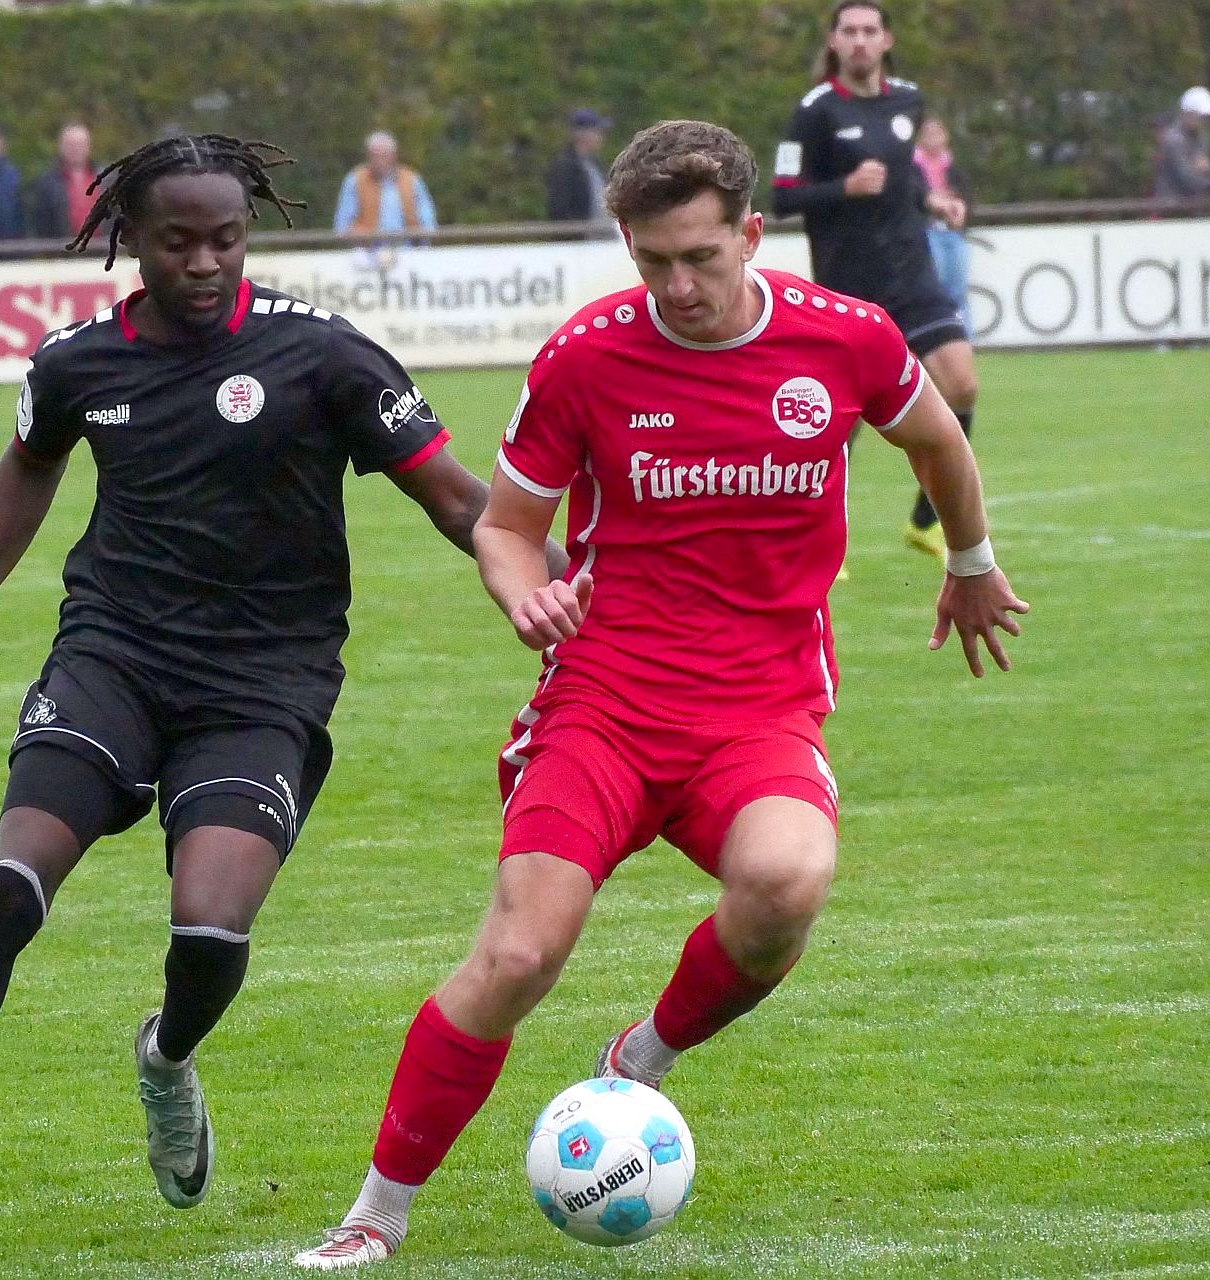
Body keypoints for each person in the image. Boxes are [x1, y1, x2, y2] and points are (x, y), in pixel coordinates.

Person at [0, 132, 561, 1266]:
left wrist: (561, 594)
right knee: (9, 887)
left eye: (226, 240)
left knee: (210, 922)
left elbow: (461, 500)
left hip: (263, 683)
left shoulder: (324, 356)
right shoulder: (78, 364)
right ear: (131, 239)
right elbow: (29, 460)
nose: (205, 262)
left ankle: (167, 1056)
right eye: (179, 242)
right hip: (112, 658)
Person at [293, 118, 1027, 1271]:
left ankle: (639, 1059)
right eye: (652, 262)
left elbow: (938, 440)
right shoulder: (586, 357)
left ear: (752, 233)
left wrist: (972, 562)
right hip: (603, 705)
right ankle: (374, 1214)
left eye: (700, 257)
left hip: (762, 711)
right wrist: (525, 593)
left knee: (787, 883)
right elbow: (506, 527)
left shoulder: (847, 339)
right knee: (521, 953)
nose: (677, 286)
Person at [772, 0, 980, 559]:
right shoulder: (813, 111)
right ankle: (814, 542)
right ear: (834, 41)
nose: (860, 41)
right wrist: (844, 187)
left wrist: (933, 201)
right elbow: (782, 197)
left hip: (912, 273)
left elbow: (900, 180)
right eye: (850, 31)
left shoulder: (908, 100)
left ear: (887, 40)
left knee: (961, 382)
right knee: (837, 420)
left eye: (870, 31)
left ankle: (926, 522)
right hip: (848, 285)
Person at [913, 116, 971, 335]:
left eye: (937, 133)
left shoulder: (954, 168)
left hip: (953, 232)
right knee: (935, 289)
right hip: (927, 231)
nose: (933, 139)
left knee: (958, 291)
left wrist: (958, 207)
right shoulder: (913, 169)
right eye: (928, 134)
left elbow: (967, 197)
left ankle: (963, 336)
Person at [332, 131, 438, 238]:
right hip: (367, 247)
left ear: (394, 155)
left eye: (384, 156)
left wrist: (419, 234)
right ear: (368, 156)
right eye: (375, 156)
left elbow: (429, 223)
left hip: (407, 245)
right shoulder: (354, 180)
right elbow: (341, 226)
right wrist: (359, 233)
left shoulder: (412, 180)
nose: (379, 161)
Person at [544, 107, 615, 233]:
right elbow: (559, 209)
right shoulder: (564, 167)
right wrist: (575, 234)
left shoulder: (597, 164)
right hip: (580, 241)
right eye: (598, 132)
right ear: (584, 135)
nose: (601, 137)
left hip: (603, 239)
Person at [28, 122, 97, 241]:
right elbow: (39, 225)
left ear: (88, 147)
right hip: (62, 249)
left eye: (80, 145)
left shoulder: (105, 179)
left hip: (102, 248)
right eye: (71, 145)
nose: (76, 150)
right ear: (60, 147)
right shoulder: (47, 184)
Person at [1154, 86, 1210, 200]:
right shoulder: (1174, 140)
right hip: (1172, 207)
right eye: (1201, 116)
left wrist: (1207, 171)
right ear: (1187, 114)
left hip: (1192, 206)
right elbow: (1186, 180)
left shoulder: (1198, 139)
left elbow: (1204, 170)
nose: (1204, 120)